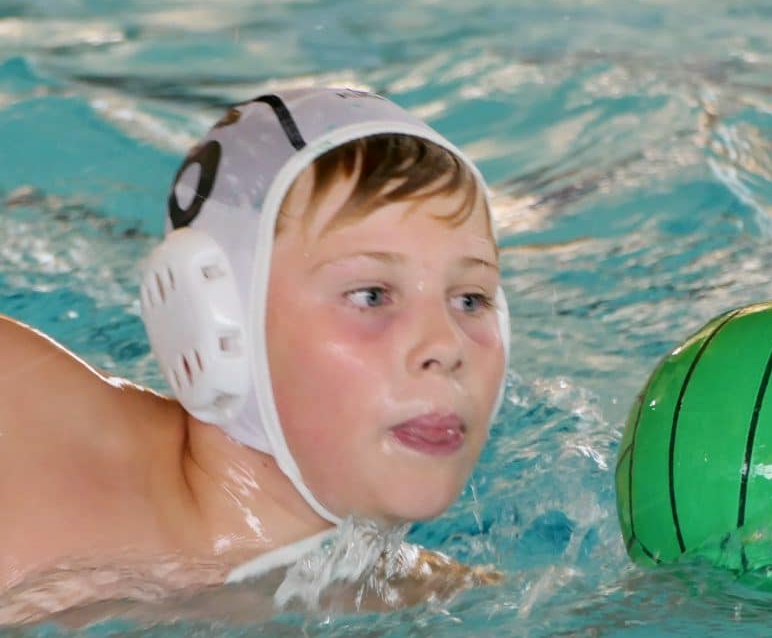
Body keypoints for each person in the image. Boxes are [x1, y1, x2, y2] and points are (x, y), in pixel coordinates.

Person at [0, 88, 510, 621]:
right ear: (212, 314)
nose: (446, 345)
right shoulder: (17, 414)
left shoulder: (450, 605)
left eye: (470, 300)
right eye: (371, 295)